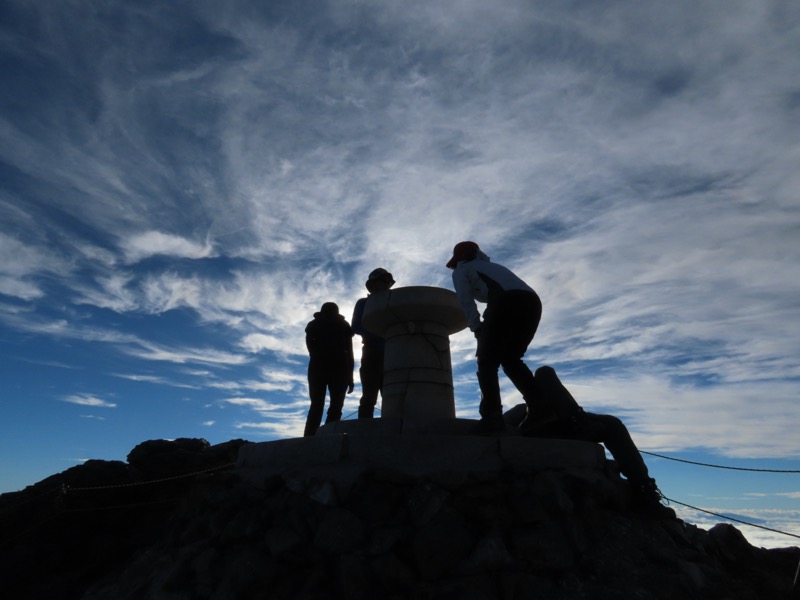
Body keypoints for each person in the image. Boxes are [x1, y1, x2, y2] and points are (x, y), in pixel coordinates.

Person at [508, 365, 675, 519]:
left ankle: (643, 488)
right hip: (547, 430)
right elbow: (511, 429)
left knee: (612, 423)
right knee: (544, 373)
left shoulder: (529, 406)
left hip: (559, 422)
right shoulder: (518, 413)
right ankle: (644, 490)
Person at [446, 241, 542, 432]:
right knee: (512, 360)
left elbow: (465, 299)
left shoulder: (461, 270)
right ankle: (543, 410)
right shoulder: (491, 266)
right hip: (532, 302)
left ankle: (492, 417)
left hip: (506, 301)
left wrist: (476, 328)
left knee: (486, 361)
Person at [303, 302, 355, 436]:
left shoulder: (315, 324)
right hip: (332, 366)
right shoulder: (342, 325)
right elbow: (349, 352)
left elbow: (309, 344)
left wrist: (314, 354)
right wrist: (350, 376)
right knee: (331, 406)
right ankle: (323, 436)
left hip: (324, 366)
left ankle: (314, 436)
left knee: (321, 405)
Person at [351, 268, 395, 419]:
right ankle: (364, 430)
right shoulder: (364, 303)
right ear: (373, 284)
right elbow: (356, 326)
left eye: (388, 283)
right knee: (369, 395)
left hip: (393, 354)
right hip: (372, 354)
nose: (387, 285)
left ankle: (391, 429)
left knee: (392, 395)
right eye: (384, 281)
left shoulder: (393, 302)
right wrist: (382, 333)